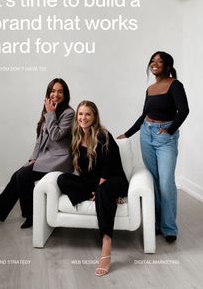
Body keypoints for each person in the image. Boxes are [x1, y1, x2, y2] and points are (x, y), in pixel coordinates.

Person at [0, 78, 74, 229]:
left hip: (59, 161)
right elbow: (39, 139)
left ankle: (25, 215)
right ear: (48, 94)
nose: (56, 94)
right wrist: (34, 158)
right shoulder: (48, 111)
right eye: (53, 91)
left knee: (22, 176)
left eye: (60, 91)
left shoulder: (68, 113)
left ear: (65, 94)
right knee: (18, 176)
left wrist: (51, 114)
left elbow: (55, 135)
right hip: (45, 159)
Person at [118, 51, 189, 243]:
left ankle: (169, 228)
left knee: (166, 182)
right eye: (152, 61)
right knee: (154, 181)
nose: (154, 64)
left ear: (167, 66)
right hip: (146, 134)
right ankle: (156, 224)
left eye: (160, 61)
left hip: (165, 135)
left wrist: (170, 130)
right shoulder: (150, 89)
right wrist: (127, 133)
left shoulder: (175, 85)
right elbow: (144, 115)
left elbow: (184, 110)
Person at [57, 101, 129, 276]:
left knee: (103, 190)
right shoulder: (75, 137)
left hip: (113, 180)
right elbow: (79, 171)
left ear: (94, 116)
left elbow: (107, 167)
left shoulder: (103, 136)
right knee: (62, 179)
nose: (83, 118)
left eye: (88, 114)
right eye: (80, 114)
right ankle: (94, 195)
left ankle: (106, 243)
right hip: (91, 184)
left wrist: (100, 188)